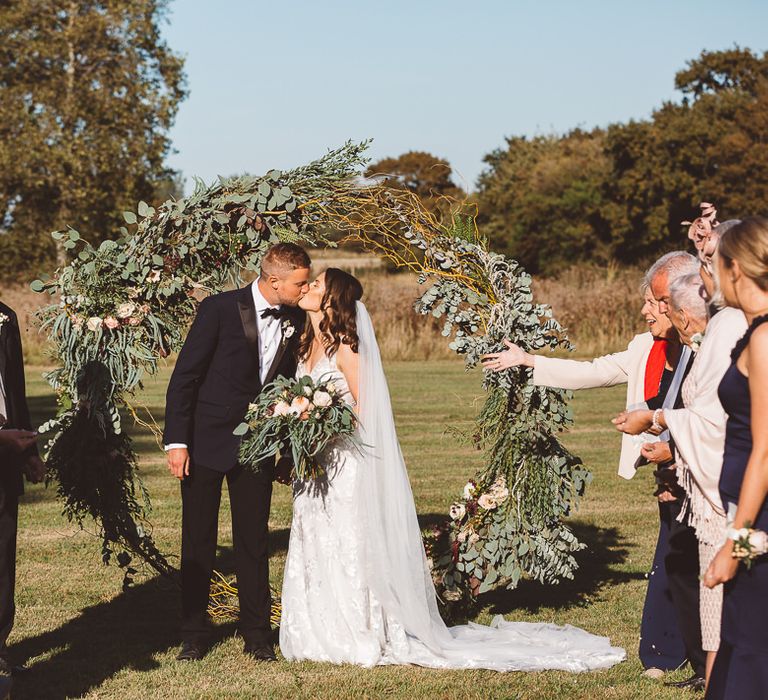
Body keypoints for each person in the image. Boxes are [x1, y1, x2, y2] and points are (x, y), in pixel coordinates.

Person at [279, 268, 626, 671]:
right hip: (316, 463)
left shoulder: (347, 348)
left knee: (349, 541)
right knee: (315, 536)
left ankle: (358, 630)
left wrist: (325, 425)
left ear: (331, 299)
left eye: (317, 284)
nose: (308, 288)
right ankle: (316, 628)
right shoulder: (306, 345)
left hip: (345, 460)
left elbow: (364, 408)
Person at [481, 252, 699, 676]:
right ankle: (664, 653)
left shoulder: (709, 347)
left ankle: (695, 654)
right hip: (668, 470)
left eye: (655, 302)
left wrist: (676, 450)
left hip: (702, 464)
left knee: (686, 555)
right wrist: (529, 361)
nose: (646, 310)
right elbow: (594, 371)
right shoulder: (644, 348)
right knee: (672, 551)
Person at [163, 243, 310, 662]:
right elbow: (185, 377)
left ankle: (257, 634)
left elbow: (290, 388)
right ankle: (193, 632)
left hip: (258, 445)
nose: (305, 289)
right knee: (198, 540)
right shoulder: (219, 309)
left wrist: (283, 450)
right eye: (300, 282)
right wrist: (178, 441)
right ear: (275, 279)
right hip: (204, 441)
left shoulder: (298, 318)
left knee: (253, 541)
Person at [614, 270, 747, 688]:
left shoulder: (731, 334)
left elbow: (717, 421)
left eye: (664, 306)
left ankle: (729, 674)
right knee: (710, 586)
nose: (653, 313)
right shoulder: (716, 334)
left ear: (686, 317)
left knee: (734, 577)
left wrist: (655, 420)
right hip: (712, 487)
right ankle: (713, 678)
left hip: (728, 494)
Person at [702, 217, 768, 699]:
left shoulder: (765, 340)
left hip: (759, 523)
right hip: (750, 518)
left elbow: (765, 451)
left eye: (716, 263)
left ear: (736, 269)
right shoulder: (755, 333)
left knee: (750, 644)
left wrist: (734, 543)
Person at [0, 300, 45, 681]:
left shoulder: (4, 316)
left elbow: (15, 387)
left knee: (2, 559)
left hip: (6, 459)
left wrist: (28, 452)